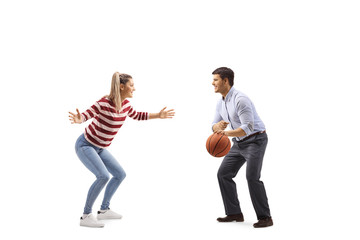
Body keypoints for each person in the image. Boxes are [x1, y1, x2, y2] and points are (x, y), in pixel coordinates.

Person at [69, 72, 175, 228]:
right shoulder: (104, 102)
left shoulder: (125, 105)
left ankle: (104, 210)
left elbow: (138, 115)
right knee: (103, 176)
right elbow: (86, 114)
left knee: (119, 174)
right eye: (131, 85)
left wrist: (158, 115)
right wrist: (80, 119)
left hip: (100, 148)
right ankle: (86, 215)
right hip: (85, 145)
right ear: (121, 86)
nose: (134, 88)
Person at [211, 67, 273, 228]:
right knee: (223, 174)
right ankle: (234, 213)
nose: (213, 83)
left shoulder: (241, 99)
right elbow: (214, 125)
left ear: (226, 81)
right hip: (238, 143)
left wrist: (225, 134)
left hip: (255, 140)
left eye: (216, 80)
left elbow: (248, 127)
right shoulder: (221, 102)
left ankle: (265, 217)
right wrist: (216, 127)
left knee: (252, 177)